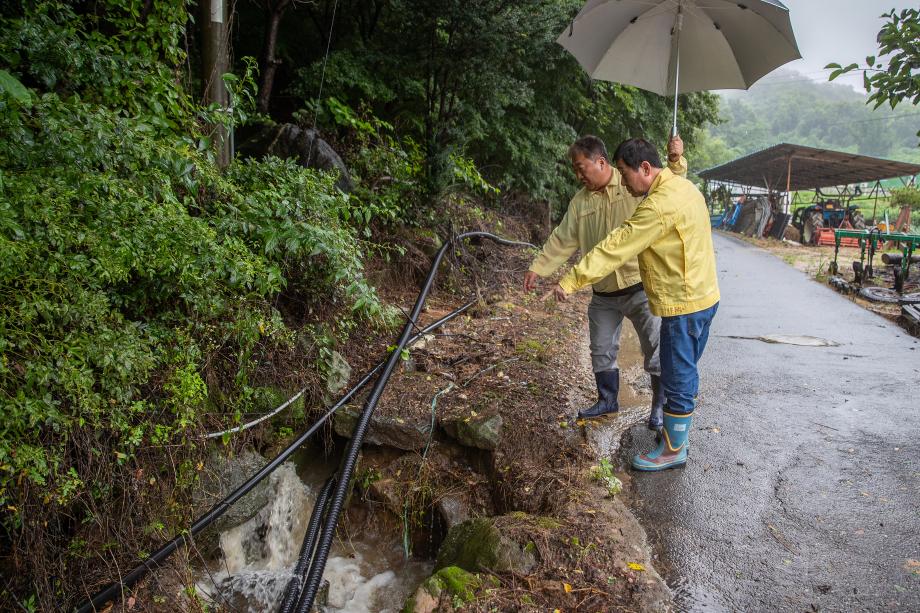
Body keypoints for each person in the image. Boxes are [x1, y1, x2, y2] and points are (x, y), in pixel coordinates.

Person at [544, 138, 719, 472]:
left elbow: (617, 245)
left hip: (682, 304)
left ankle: (672, 449)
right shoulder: (682, 186)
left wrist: (571, 279)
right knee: (681, 370)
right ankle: (671, 434)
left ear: (645, 169)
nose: (622, 181)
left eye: (624, 173)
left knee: (677, 374)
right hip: (704, 297)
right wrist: (677, 159)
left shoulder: (657, 206)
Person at [523, 135, 687, 433]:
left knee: (655, 347)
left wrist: (676, 160)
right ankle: (607, 400)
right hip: (603, 292)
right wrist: (539, 267)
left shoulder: (632, 185)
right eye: (575, 170)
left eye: (581, 167)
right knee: (600, 348)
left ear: (601, 162)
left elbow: (669, 190)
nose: (578, 175)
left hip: (640, 286)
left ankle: (659, 406)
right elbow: (563, 238)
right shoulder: (580, 202)